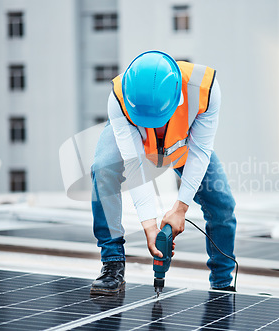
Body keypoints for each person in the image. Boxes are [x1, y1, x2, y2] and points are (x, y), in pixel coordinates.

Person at [90, 50, 237, 295]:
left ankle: (222, 283)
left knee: (222, 203)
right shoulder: (118, 96)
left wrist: (181, 208)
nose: (151, 125)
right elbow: (135, 164)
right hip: (135, 143)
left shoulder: (205, 89)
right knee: (103, 169)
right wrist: (149, 225)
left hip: (183, 144)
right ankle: (112, 263)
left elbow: (200, 152)